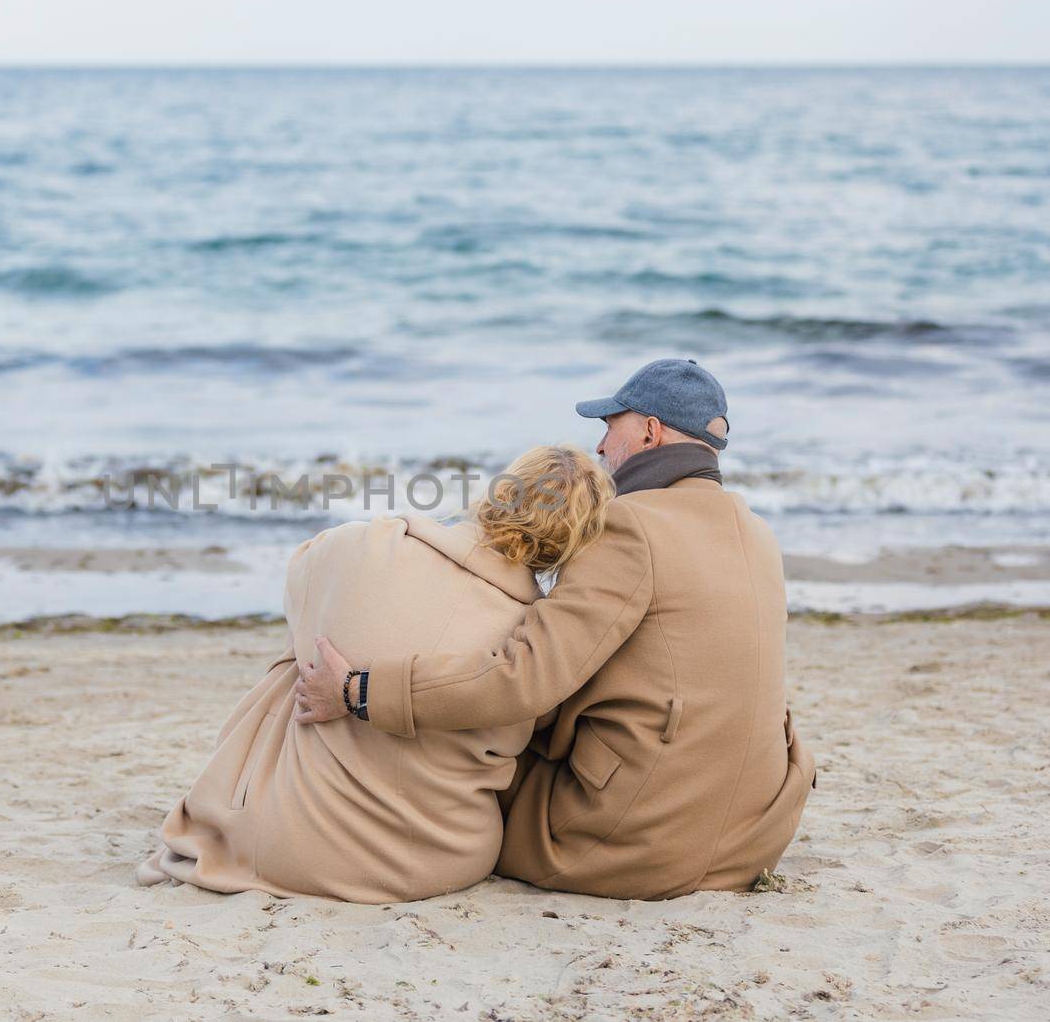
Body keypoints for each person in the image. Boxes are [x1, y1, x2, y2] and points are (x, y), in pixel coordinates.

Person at [294, 359, 817, 901]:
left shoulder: (629, 525)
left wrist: (361, 691)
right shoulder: (756, 533)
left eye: (609, 426)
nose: (599, 448)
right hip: (752, 837)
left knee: (472, 747)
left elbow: (524, 681)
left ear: (649, 431)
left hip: (638, 846)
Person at [138, 446, 615, 903]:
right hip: (439, 859)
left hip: (287, 846)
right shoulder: (534, 644)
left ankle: (260, 801)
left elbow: (298, 582)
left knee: (304, 654)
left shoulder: (365, 544)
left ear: (499, 492)